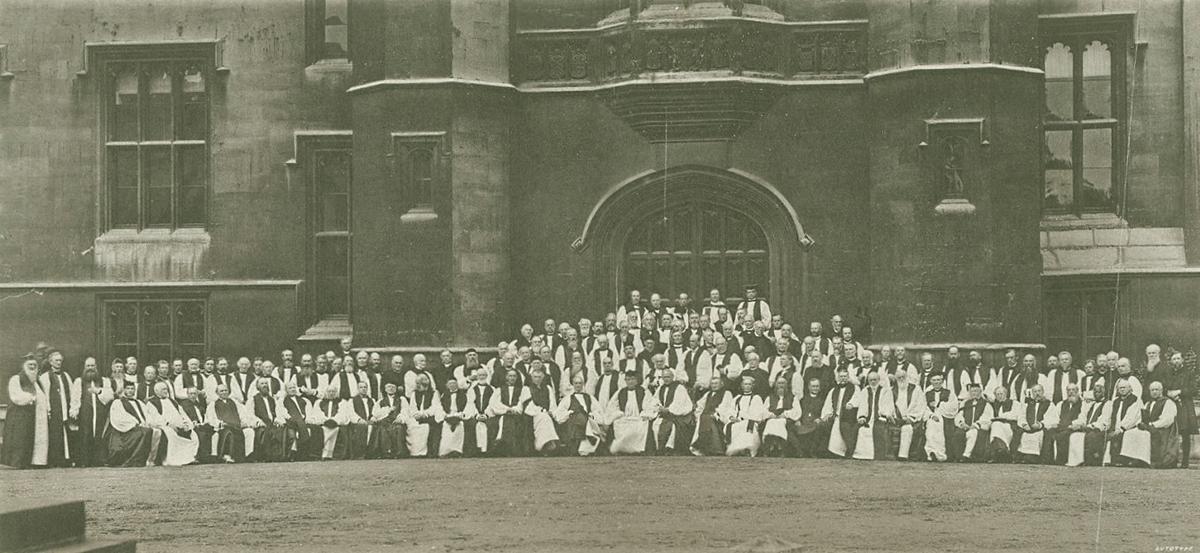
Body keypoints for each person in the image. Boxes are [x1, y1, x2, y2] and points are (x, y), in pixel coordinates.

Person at [1123, 381, 1179, 468]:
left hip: (1162, 429)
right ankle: (1136, 458)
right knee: (1130, 433)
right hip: (1149, 427)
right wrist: (1141, 424)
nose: (1154, 392)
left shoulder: (1168, 402)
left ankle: (1151, 460)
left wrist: (1152, 425)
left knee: (1145, 435)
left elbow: (1167, 420)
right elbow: (1142, 417)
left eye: (1156, 389)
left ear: (1161, 390)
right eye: (1152, 390)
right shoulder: (1148, 403)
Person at [70, 358, 114, 467]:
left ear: (96, 367)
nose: (90, 368)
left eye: (92, 366)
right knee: (85, 434)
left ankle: (98, 460)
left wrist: (99, 391)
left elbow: (110, 396)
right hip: (85, 412)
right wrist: (74, 410)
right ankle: (84, 461)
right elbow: (75, 397)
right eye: (88, 366)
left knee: (100, 434)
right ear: (85, 367)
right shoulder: (79, 381)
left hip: (100, 412)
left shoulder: (105, 381)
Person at [2, 357, 45, 468]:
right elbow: (16, 396)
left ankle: (28, 463)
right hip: (19, 416)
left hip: (33, 417)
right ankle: (17, 464)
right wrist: (31, 397)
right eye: (30, 364)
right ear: (24, 366)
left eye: (34, 365)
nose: (32, 367)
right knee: (19, 440)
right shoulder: (16, 379)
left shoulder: (37, 382)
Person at [106, 380, 158, 467]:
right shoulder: (118, 402)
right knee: (146, 432)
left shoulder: (139, 402)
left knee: (156, 431)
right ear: (124, 390)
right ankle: (135, 460)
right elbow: (120, 418)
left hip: (141, 427)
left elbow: (147, 415)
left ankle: (150, 460)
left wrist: (147, 423)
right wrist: (136, 424)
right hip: (126, 431)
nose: (130, 391)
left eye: (132, 389)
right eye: (128, 389)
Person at [605, 371, 658, 455]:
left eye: (633, 379)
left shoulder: (643, 391)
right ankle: (623, 450)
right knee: (618, 423)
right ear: (625, 381)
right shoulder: (620, 392)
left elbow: (650, 404)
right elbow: (612, 406)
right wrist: (618, 413)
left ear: (637, 380)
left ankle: (638, 450)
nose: (631, 381)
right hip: (625, 417)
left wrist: (645, 414)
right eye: (628, 379)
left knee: (643, 425)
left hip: (639, 417)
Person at [147, 382, 199, 466]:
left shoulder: (173, 401)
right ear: (156, 391)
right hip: (166, 426)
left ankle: (189, 458)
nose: (166, 391)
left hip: (180, 425)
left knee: (193, 435)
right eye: (163, 389)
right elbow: (156, 418)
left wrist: (187, 424)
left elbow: (182, 414)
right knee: (171, 435)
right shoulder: (152, 403)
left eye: (166, 389)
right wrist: (170, 425)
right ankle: (173, 460)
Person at [38, 351, 73, 467]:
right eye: (56, 360)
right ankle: (54, 460)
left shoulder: (66, 376)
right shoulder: (45, 377)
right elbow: (45, 395)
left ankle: (65, 459)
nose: (58, 363)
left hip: (65, 408)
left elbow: (71, 393)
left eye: (60, 361)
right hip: (54, 409)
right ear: (50, 362)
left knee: (65, 434)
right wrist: (48, 409)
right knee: (54, 435)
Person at [552, 374, 603, 456]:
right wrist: (569, 413)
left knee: (586, 420)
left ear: (583, 385)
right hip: (574, 421)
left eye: (580, 383)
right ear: (573, 384)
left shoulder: (590, 397)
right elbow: (558, 413)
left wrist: (592, 415)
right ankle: (586, 441)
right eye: (576, 383)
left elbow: (598, 410)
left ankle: (587, 447)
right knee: (579, 418)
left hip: (588, 420)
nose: (578, 385)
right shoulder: (567, 398)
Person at [850, 371, 894, 461]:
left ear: (878, 380)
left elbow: (888, 405)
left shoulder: (885, 390)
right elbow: (863, 405)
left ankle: (879, 456)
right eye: (870, 380)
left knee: (878, 429)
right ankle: (863, 455)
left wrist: (884, 415)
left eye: (875, 380)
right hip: (868, 418)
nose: (873, 382)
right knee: (860, 429)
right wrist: (862, 417)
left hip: (881, 418)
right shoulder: (865, 391)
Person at [207, 384, 256, 463]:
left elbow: (243, 414)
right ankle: (227, 455)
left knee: (249, 431)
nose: (224, 392)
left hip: (237, 426)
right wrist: (219, 424)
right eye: (221, 391)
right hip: (223, 427)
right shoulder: (213, 404)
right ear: (217, 393)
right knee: (228, 433)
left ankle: (247, 455)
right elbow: (211, 419)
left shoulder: (235, 403)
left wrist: (244, 422)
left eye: (226, 390)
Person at [718, 375, 766, 457]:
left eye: (749, 384)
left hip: (750, 421)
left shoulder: (756, 398)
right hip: (736, 421)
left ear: (752, 386)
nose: (747, 386)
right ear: (742, 386)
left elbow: (757, 414)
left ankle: (747, 449)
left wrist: (741, 418)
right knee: (731, 426)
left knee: (746, 425)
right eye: (745, 384)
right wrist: (731, 417)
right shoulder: (737, 398)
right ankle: (736, 450)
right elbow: (731, 410)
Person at [651, 365, 694, 455]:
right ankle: (659, 448)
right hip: (664, 414)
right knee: (655, 425)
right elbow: (655, 400)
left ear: (673, 377)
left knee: (671, 426)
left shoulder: (679, 388)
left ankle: (669, 448)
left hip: (678, 415)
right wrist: (659, 408)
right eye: (664, 377)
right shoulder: (660, 388)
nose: (666, 379)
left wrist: (668, 409)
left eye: (668, 377)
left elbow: (681, 403)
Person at [488, 368, 531, 456]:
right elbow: (494, 403)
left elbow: (522, 402)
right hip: (502, 414)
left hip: (517, 415)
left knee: (513, 421)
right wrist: (507, 409)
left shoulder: (523, 390)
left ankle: (513, 449)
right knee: (505, 419)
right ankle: (503, 447)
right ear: (506, 377)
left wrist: (514, 410)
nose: (512, 378)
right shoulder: (499, 390)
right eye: (510, 376)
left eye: (514, 376)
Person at [1065, 381, 1109, 467]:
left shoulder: (1108, 404)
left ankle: (1091, 462)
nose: (1096, 394)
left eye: (1099, 392)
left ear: (1103, 393)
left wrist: (1088, 427)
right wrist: (1075, 424)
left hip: (1099, 429)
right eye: (1095, 392)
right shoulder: (1091, 404)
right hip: (1087, 428)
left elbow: (1104, 420)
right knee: (1074, 435)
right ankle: (1076, 461)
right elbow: (1083, 417)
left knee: (1091, 436)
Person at [819, 367, 858, 458]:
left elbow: (857, 399)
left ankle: (847, 452)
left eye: (845, 376)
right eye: (841, 376)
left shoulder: (855, 388)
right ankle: (831, 453)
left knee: (844, 428)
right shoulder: (833, 390)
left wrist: (851, 404)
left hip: (848, 416)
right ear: (838, 378)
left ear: (848, 377)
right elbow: (828, 404)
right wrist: (826, 414)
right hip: (836, 416)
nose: (843, 378)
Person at [1165, 350, 1194, 468]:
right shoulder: (1168, 373)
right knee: (1171, 431)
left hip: (1184, 405)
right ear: (1171, 361)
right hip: (1170, 403)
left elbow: (1193, 389)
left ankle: (1185, 461)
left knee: (1184, 432)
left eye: (1178, 358)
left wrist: (1180, 392)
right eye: (1174, 359)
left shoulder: (1189, 373)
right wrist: (1168, 393)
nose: (1176, 361)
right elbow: (1164, 385)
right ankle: (1171, 459)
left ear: (1182, 360)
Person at [1014, 385, 1058, 464]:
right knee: (1023, 434)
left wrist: (1040, 425)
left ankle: (1034, 457)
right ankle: (1024, 456)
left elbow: (1052, 418)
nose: (1037, 393)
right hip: (1028, 428)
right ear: (1032, 393)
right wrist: (1024, 425)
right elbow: (1021, 416)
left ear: (1043, 392)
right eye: (1035, 391)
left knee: (1038, 435)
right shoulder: (1027, 404)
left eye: (1039, 391)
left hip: (1040, 428)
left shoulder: (1049, 404)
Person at [890, 367, 927, 460]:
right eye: (899, 378)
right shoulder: (891, 390)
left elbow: (921, 405)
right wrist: (892, 416)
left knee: (907, 429)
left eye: (903, 377)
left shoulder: (916, 389)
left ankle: (903, 455)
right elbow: (888, 405)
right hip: (896, 419)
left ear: (907, 377)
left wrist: (911, 418)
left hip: (911, 419)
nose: (901, 379)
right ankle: (890, 455)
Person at [247, 378, 288, 462]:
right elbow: (250, 414)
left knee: (280, 429)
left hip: (272, 423)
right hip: (261, 424)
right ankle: (264, 456)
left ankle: (278, 457)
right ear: (257, 386)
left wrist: (277, 419)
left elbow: (278, 412)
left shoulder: (272, 399)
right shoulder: (253, 399)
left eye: (266, 383)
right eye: (262, 384)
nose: (265, 385)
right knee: (264, 431)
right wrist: (258, 422)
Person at [1104, 380, 1143, 467]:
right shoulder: (1115, 401)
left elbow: (1133, 417)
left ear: (1130, 388)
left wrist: (1121, 429)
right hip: (1115, 427)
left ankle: (1123, 460)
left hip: (1128, 427)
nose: (1122, 390)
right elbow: (1109, 416)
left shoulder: (1136, 400)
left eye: (1124, 388)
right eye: (1120, 388)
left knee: (1122, 436)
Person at [689, 376, 731, 456]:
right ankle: (703, 448)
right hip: (705, 417)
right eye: (712, 384)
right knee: (704, 418)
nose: (714, 385)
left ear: (721, 384)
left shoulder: (727, 393)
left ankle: (715, 449)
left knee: (707, 419)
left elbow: (725, 406)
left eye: (716, 383)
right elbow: (700, 405)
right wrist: (699, 415)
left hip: (717, 417)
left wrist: (716, 414)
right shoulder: (708, 394)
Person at [950, 383, 992, 462]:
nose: (974, 393)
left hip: (977, 427)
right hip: (965, 426)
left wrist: (976, 425)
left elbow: (987, 417)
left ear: (980, 392)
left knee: (972, 433)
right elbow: (959, 415)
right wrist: (962, 423)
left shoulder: (986, 404)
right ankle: (958, 456)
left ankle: (966, 455)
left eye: (976, 391)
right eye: (972, 391)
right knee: (958, 433)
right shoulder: (965, 403)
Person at [523, 368, 561, 455]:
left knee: (546, 418)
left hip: (547, 413)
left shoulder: (548, 388)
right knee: (543, 418)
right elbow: (528, 405)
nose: (537, 379)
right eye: (535, 377)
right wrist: (541, 410)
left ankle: (545, 444)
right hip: (532, 414)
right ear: (531, 378)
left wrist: (552, 412)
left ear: (543, 377)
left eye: (539, 377)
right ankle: (544, 445)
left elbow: (552, 403)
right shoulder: (526, 389)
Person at [761, 377, 802, 457]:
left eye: (783, 383)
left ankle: (781, 447)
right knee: (771, 422)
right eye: (779, 383)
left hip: (786, 419)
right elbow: (763, 410)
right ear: (776, 385)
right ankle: (769, 448)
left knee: (779, 423)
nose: (781, 386)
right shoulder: (770, 397)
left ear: (786, 385)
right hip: (772, 418)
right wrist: (771, 415)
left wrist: (785, 414)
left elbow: (797, 411)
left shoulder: (793, 397)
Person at [922, 373, 958, 462]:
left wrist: (939, 405)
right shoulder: (927, 394)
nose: (936, 382)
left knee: (939, 426)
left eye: (938, 380)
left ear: (942, 381)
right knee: (931, 426)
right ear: (931, 381)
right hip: (931, 416)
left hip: (945, 416)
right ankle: (931, 452)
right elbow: (923, 407)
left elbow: (953, 406)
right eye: (934, 380)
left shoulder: (949, 393)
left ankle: (941, 454)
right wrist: (931, 415)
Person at [407, 374, 444, 458]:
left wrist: (424, 414)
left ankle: (431, 452)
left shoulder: (434, 393)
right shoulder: (414, 393)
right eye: (419, 383)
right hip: (416, 416)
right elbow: (412, 406)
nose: (421, 386)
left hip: (429, 415)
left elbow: (435, 407)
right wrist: (416, 414)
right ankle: (417, 452)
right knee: (413, 426)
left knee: (433, 426)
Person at [277, 382, 315, 461]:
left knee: (311, 430)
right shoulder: (283, 401)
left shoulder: (303, 400)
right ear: (286, 390)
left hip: (303, 421)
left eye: (294, 387)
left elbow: (308, 411)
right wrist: (291, 419)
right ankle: (292, 455)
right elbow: (283, 412)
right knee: (292, 434)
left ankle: (305, 454)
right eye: (290, 388)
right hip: (291, 421)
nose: (293, 389)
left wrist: (305, 418)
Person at [371, 382, 410, 459]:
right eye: (389, 387)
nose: (391, 388)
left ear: (396, 389)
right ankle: (386, 453)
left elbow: (405, 410)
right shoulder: (380, 401)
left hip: (396, 421)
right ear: (385, 389)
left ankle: (398, 452)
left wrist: (400, 418)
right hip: (385, 421)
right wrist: (387, 410)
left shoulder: (402, 399)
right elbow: (375, 413)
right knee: (382, 428)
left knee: (398, 428)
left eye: (393, 387)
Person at [1049, 383, 1085, 464]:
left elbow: (1082, 418)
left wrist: (1070, 424)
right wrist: (1056, 424)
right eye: (1069, 390)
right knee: (1049, 432)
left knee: (1063, 435)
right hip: (1061, 427)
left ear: (1078, 391)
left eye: (1073, 390)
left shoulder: (1083, 404)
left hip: (1073, 428)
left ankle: (1061, 461)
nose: (1071, 392)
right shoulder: (1061, 404)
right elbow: (1055, 417)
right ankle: (1049, 460)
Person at [465, 369, 496, 456]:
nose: (482, 377)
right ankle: (475, 451)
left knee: (491, 425)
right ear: (477, 377)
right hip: (475, 414)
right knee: (472, 424)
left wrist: (486, 414)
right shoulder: (471, 389)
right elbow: (470, 403)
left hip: (488, 415)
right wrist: (476, 414)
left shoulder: (492, 389)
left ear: (486, 376)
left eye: (483, 375)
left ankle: (488, 451)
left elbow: (492, 403)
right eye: (480, 375)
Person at [987, 386, 1021, 463]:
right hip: (996, 426)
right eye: (997, 394)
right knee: (996, 425)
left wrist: (1003, 416)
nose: (999, 396)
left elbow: (1017, 415)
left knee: (996, 425)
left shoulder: (1014, 403)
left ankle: (1000, 451)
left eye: (1001, 394)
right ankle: (1002, 450)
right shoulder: (991, 405)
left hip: (1009, 426)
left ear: (1006, 394)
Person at [439, 379, 471, 458]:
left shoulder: (462, 394)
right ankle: (445, 451)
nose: (452, 385)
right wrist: (445, 415)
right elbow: (440, 406)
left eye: (454, 383)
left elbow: (467, 406)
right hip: (448, 414)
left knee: (460, 427)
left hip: (459, 414)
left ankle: (457, 450)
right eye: (450, 384)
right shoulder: (444, 395)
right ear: (447, 385)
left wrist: (461, 414)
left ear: (457, 384)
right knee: (445, 427)